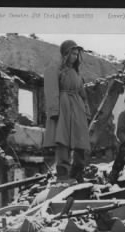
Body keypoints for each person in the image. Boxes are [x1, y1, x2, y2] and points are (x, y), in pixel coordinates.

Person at [43, 40, 92, 182]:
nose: (75, 57)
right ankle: (63, 174)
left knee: (80, 141)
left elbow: (83, 94)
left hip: (77, 109)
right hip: (63, 107)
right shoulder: (55, 69)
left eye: (77, 54)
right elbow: (51, 90)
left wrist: (86, 110)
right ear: (65, 54)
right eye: (73, 54)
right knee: (63, 140)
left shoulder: (77, 73)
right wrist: (54, 111)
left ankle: (77, 173)